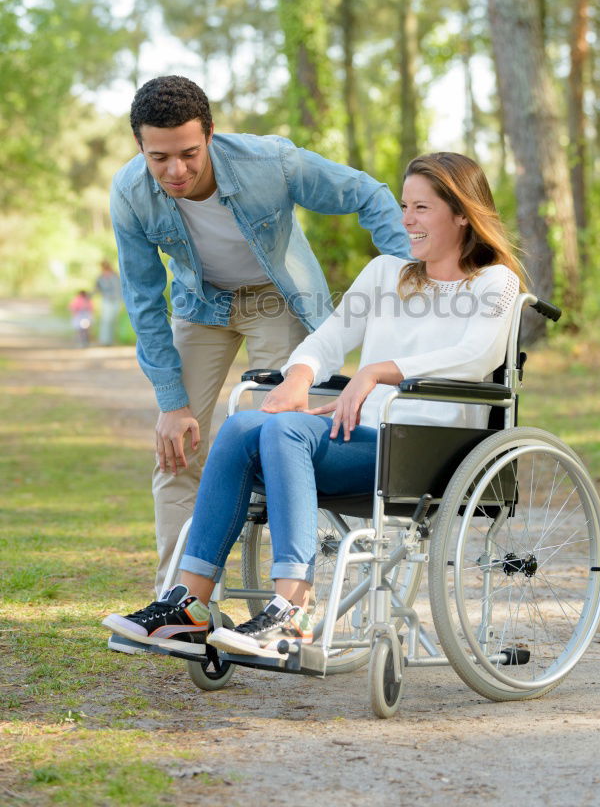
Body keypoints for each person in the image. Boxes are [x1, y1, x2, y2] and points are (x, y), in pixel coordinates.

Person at [103, 151, 524, 660]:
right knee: (243, 426)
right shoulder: (386, 272)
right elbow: (327, 340)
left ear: (462, 213)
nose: (406, 220)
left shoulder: (494, 282)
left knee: (286, 432)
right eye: (404, 206)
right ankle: (189, 604)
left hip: (429, 449)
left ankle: (292, 610)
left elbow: (476, 355)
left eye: (421, 208)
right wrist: (299, 377)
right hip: (364, 440)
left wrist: (375, 371)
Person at [111, 74, 410, 596]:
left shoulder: (269, 162)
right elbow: (142, 298)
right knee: (176, 448)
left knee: (287, 441)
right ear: (140, 146)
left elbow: (370, 194)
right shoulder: (130, 194)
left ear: (209, 134)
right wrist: (171, 400)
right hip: (201, 307)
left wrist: (412, 277)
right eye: (159, 158)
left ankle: (294, 597)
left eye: (188, 152)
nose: (175, 170)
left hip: (278, 299)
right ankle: (180, 599)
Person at [95, 260, 122, 346]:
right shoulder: (100, 277)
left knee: (113, 320)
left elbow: (119, 288)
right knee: (106, 320)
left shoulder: (115, 276)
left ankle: (110, 340)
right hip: (106, 300)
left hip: (115, 300)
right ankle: (104, 340)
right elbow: (96, 288)